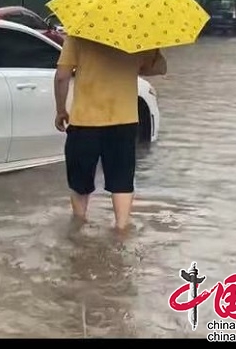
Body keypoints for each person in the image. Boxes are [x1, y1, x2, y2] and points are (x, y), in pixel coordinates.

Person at [53, 36, 167, 231]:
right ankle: (122, 231)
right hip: (124, 121)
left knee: (80, 182)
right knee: (122, 182)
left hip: (84, 122)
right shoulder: (135, 34)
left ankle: (78, 228)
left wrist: (61, 109)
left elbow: (62, 76)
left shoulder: (78, 35)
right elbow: (159, 68)